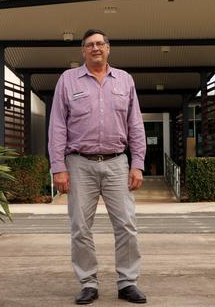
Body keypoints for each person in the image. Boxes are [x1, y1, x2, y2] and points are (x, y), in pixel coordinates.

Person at [48, 29, 147, 305]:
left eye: (100, 43)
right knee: (80, 227)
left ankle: (127, 282)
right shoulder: (67, 81)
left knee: (126, 225)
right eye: (90, 45)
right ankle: (88, 283)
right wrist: (58, 166)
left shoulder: (125, 80)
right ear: (83, 51)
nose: (95, 48)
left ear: (108, 48)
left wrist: (137, 163)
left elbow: (135, 124)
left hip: (117, 162)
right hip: (79, 163)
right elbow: (57, 126)